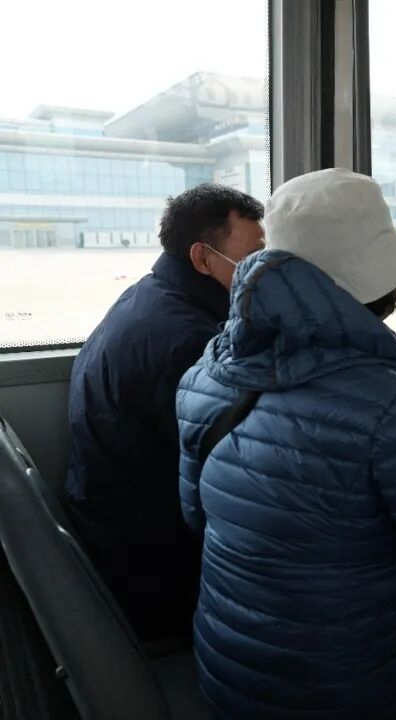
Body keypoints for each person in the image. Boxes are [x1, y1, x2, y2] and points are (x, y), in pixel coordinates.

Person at [175, 168, 396, 720]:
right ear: (378, 281)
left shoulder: (206, 374)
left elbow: (198, 516)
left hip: (229, 675)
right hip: (365, 685)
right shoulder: (392, 401)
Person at [65, 184, 264, 642]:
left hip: (117, 519)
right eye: (253, 256)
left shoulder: (153, 296)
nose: (263, 269)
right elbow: (231, 474)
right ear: (202, 257)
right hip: (153, 555)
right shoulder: (187, 339)